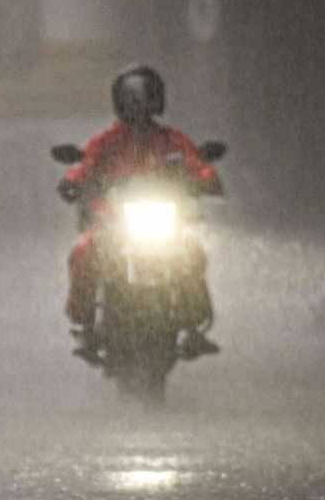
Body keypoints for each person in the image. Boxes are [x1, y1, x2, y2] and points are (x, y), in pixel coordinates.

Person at [57, 64, 223, 362]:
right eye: (131, 99)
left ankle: (193, 323)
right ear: (120, 102)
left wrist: (208, 177)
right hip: (114, 225)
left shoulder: (172, 140)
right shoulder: (107, 141)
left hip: (165, 225)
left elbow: (196, 162)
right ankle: (86, 324)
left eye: (144, 98)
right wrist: (72, 181)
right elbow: (84, 164)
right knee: (83, 253)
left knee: (194, 253)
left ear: (157, 100)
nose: (139, 107)